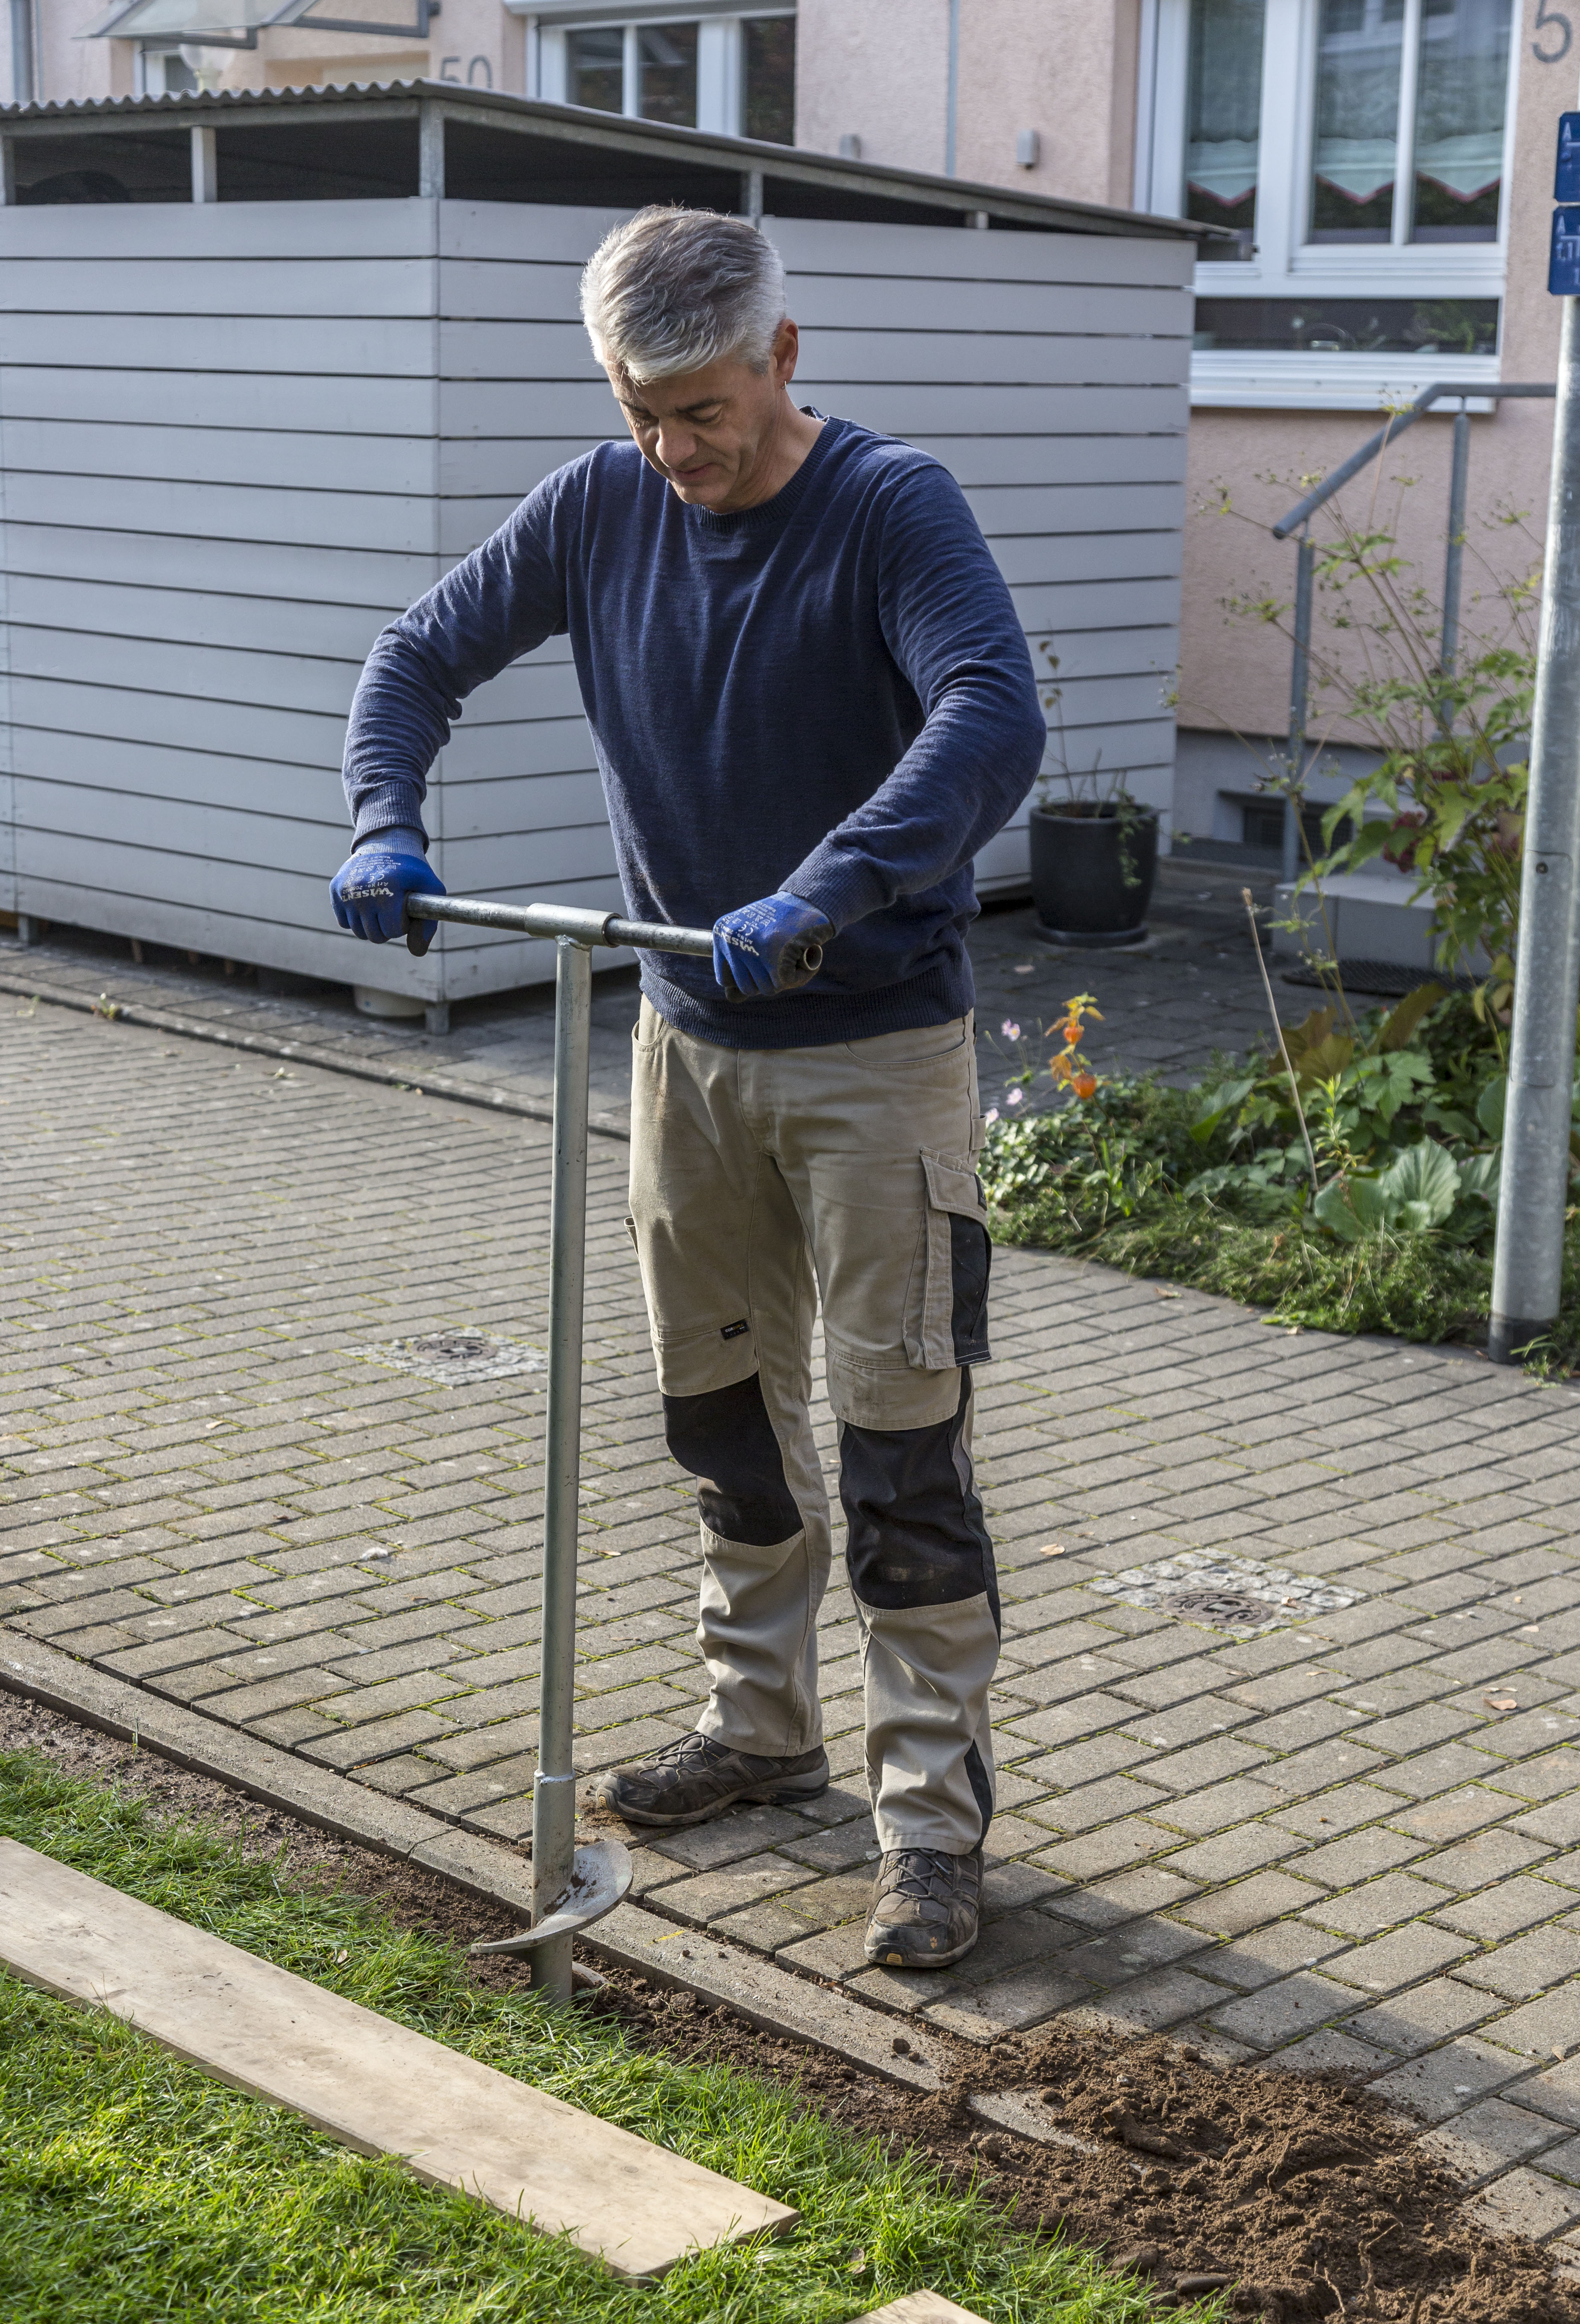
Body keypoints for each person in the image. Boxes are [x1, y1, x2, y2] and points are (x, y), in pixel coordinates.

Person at [331, 206, 1044, 1969]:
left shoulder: (892, 510)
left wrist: (834, 881)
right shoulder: (599, 507)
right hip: (687, 1050)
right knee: (718, 1420)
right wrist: (385, 816)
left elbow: (991, 712)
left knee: (901, 1450)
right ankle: (759, 1726)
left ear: (783, 361)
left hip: (874, 1055)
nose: (673, 452)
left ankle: (930, 1825)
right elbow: (417, 659)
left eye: (703, 412)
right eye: (643, 412)